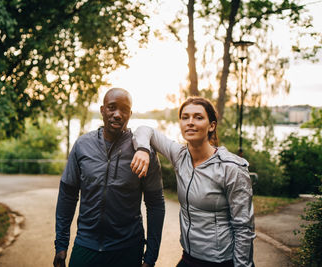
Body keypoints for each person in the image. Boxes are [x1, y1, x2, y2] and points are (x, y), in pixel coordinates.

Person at [130, 97, 255, 267]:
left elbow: (244, 228)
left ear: (211, 125)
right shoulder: (180, 156)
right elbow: (145, 129)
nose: (190, 122)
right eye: (185, 117)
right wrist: (143, 149)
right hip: (189, 257)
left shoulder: (230, 168)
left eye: (198, 117)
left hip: (221, 262)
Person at [54, 88, 165, 267]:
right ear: (102, 110)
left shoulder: (144, 153)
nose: (117, 114)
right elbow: (67, 195)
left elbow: (155, 204)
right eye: (112, 107)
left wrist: (151, 256)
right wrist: (61, 244)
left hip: (127, 249)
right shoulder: (82, 145)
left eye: (124, 110)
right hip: (86, 245)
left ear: (130, 113)